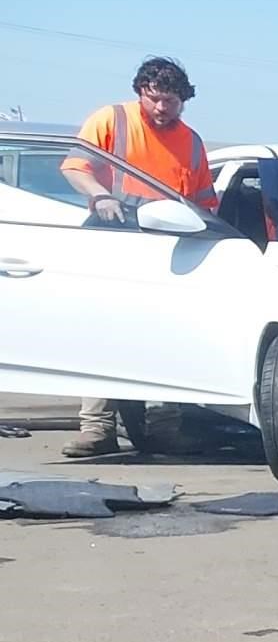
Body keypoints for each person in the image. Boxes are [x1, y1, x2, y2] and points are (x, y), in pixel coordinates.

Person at [60, 58, 218, 460]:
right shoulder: (110, 119)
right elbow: (74, 167)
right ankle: (97, 429)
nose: (162, 108)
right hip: (113, 238)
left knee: (167, 335)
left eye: (171, 100)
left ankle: (165, 428)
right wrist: (100, 194)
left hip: (169, 248)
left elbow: (204, 203)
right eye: (154, 99)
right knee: (102, 332)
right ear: (140, 92)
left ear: (184, 98)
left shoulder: (192, 141)